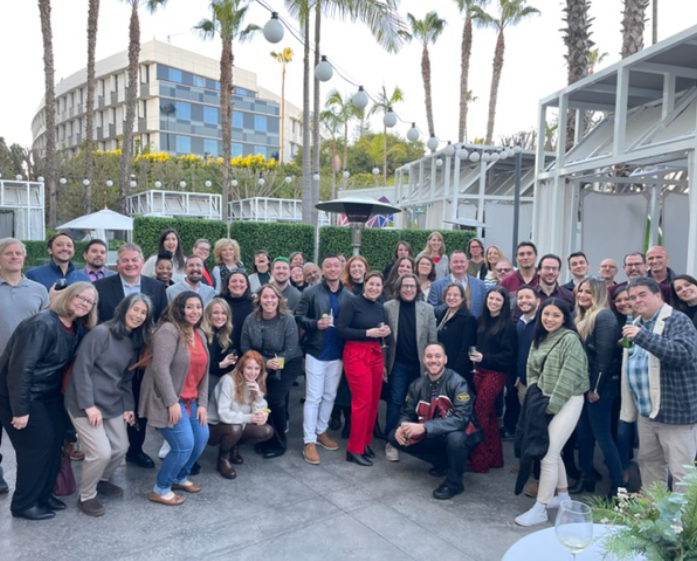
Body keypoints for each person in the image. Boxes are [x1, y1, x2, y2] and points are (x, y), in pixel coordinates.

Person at [0, 281, 98, 520]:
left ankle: (43, 495)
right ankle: (25, 503)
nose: (84, 303)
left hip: (47, 394)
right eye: (80, 297)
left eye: (89, 301)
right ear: (67, 296)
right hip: (22, 394)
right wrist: (20, 409)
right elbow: (21, 369)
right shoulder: (41, 323)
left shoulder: (71, 326)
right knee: (36, 448)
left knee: (55, 443)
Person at [64, 293, 154, 517]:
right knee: (100, 453)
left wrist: (128, 407)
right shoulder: (101, 333)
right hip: (83, 401)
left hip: (112, 401)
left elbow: (125, 380)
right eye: (135, 309)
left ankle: (101, 480)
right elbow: (81, 370)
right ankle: (86, 495)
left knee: (120, 448)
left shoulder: (133, 341)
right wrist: (88, 405)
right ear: (124, 308)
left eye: (143, 312)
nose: (139, 315)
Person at [514, 299, 589, 527]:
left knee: (547, 453)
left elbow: (569, 377)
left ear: (565, 318)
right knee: (554, 452)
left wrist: (551, 405)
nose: (549, 319)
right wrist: (537, 392)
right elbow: (531, 369)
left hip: (568, 400)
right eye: (546, 314)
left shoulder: (569, 339)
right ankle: (563, 496)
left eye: (556, 315)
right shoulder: (540, 337)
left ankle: (541, 508)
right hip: (544, 399)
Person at [93, 243, 168, 469]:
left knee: (138, 402)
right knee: (108, 401)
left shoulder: (156, 287)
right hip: (110, 356)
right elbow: (94, 321)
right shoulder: (101, 287)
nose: (130, 264)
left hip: (144, 357)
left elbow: (163, 320)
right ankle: (105, 451)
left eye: (134, 260)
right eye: (125, 260)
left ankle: (135, 449)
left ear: (142, 261)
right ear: (118, 263)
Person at [620, 277, 697, 488]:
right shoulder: (635, 325)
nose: (636, 300)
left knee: (683, 473)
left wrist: (643, 336)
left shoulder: (677, 320)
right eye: (632, 297)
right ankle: (653, 517)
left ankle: (684, 521)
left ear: (657, 295)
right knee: (650, 467)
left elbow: (684, 353)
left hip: (676, 414)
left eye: (642, 294)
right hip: (646, 413)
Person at [139, 291, 210, 506]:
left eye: (198, 307)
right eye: (189, 307)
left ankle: (179, 477)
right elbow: (160, 368)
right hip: (168, 399)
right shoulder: (168, 331)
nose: (195, 311)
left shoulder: (200, 334)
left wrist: (203, 404)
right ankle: (160, 489)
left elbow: (204, 372)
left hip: (192, 400)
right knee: (183, 445)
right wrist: (171, 402)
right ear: (179, 308)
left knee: (200, 439)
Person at [388, 343, 473, 500]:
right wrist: (402, 427)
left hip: (459, 435)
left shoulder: (458, 382)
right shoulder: (417, 384)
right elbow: (406, 413)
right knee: (394, 436)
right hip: (433, 434)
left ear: (445, 359)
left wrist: (425, 427)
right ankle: (441, 462)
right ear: (423, 359)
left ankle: (454, 483)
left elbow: (461, 419)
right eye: (429, 356)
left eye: (438, 356)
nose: (433, 360)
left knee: (455, 438)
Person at [0, 238, 49, 494]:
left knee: (24, 429)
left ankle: (29, 484)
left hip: (25, 372)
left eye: (19, 253)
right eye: (9, 253)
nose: (15, 257)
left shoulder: (38, 290)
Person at [295, 254, 354, 465]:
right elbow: (298, 316)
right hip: (316, 350)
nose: (332, 269)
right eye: (328, 266)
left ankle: (321, 431)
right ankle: (308, 440)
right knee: (314, 396)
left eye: (336, 266)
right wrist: (314, 324)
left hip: (337, 353)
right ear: (322, 269)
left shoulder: (348, 295)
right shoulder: (310, 292)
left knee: (330, 395)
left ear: (341, 268)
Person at [570, 278, 624, 498]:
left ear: (599, 295)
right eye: (580, 291)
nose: (583, 295)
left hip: (601, 386)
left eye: (588, 292)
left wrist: (595, 388)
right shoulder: (582, 316)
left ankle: (618, 485)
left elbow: (603, 357)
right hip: (584, 384)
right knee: (583, 433)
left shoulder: (604, 317)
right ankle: (586, 476)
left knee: (602, 436)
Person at [240, 284, 303, 458]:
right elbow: (245, 346)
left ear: (279, 300)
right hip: (260, 362)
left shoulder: (287, 319)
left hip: (288, 361)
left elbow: (291, 349)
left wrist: (275, 364)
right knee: (260, 397)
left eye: (273, 297)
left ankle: (278, 443)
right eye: (265, 297)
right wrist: (265, 363)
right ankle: (263, 437)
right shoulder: (250, 319)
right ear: (259, 299)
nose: (269, 300)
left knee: (275, 399)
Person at [337, 271, 391, 467]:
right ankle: (354, 448)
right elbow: (341, 330)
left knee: (374, 401)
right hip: (356, 353)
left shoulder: (380, 306)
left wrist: (384, 332)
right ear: (365, 284)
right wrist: (368, 333)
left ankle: (364, 442)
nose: (375, 288)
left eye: (378, 285)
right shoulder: (351, 303)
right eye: (371, 284)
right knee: (362, 402)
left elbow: (380, 331)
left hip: (375, 352)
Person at [383, 273, 437, 462]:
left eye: (412, 286)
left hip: (419, 365)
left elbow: (432, 339)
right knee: (396, 401)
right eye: (405, 286)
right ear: (399, 288)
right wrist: (383, 364)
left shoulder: (427, 309)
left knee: (417, 403)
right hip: (397, 363)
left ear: (417, 289)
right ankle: (391, 441)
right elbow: (384, 340)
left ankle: (413, 437)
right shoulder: (388, 307)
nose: (408, 289)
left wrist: (432, 364)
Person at [467, 287, 516, 473]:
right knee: (489, 417)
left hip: (495, 374)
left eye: (498, 300)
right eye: (491, 298)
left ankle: (479, 462)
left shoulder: (507, 325)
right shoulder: (482, 321)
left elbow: (508, 356)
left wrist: (484, 358)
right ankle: (495, 457)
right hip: (478, 372)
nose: (493, 302)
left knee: (479, 415)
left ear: (504, 304)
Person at [207, 350, 273, 479]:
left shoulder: (257, 381)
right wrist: (249, 418)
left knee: (267, 430)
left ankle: (234, 447)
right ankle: (223, 458)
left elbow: (259, 413)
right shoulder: (228, 381)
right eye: (249, 368)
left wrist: (259, 398)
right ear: (242, 367)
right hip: (215, 425)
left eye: (257, 369)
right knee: (235, 428)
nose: (253, 372)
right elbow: (223, 414)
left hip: (238, 422)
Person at [435, 283, 478, 386]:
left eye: (455, 295)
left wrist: (456, 373)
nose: (451, 298)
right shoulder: (443, 313)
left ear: (462, 298)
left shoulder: (468, 318)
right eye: (449, 295)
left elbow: (466, 348)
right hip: (441, 366)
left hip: (457, 371)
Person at [428, 250, 487, 318]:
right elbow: (432, 311)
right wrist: (450, 302)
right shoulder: (436, 285)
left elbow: (485, 310)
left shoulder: (480, 285)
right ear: (449, 264)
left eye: (462, 261)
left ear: (467, 263)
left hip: (474, 327)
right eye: (455, 262)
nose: (459, 265)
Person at [26, 232, 90, 291]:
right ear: (50, 250)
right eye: (59, 245)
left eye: (69, 245)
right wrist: (48, 298)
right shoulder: (34, 275)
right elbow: (28, 301)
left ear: (74, 250)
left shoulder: (83, 278)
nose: (65, 248)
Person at [201, 298, 236, 398]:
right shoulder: (202, 333)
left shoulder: (226, 332)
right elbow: (203, 365)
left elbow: (232, 358)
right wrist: (220, 365)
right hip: (205, 380)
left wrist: (232, 360)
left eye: (223, 313)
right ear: (208, 314)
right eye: (215, 313)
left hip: (221, 377)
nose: (220, 317)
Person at [222, 271, 254, 357]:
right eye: (234, 281)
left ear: (247, 285)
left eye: (241, 281)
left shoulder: (254, 303)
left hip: (248, 352)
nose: (237, 284)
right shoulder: (219, 301)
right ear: (228, 285)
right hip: (223, 351)